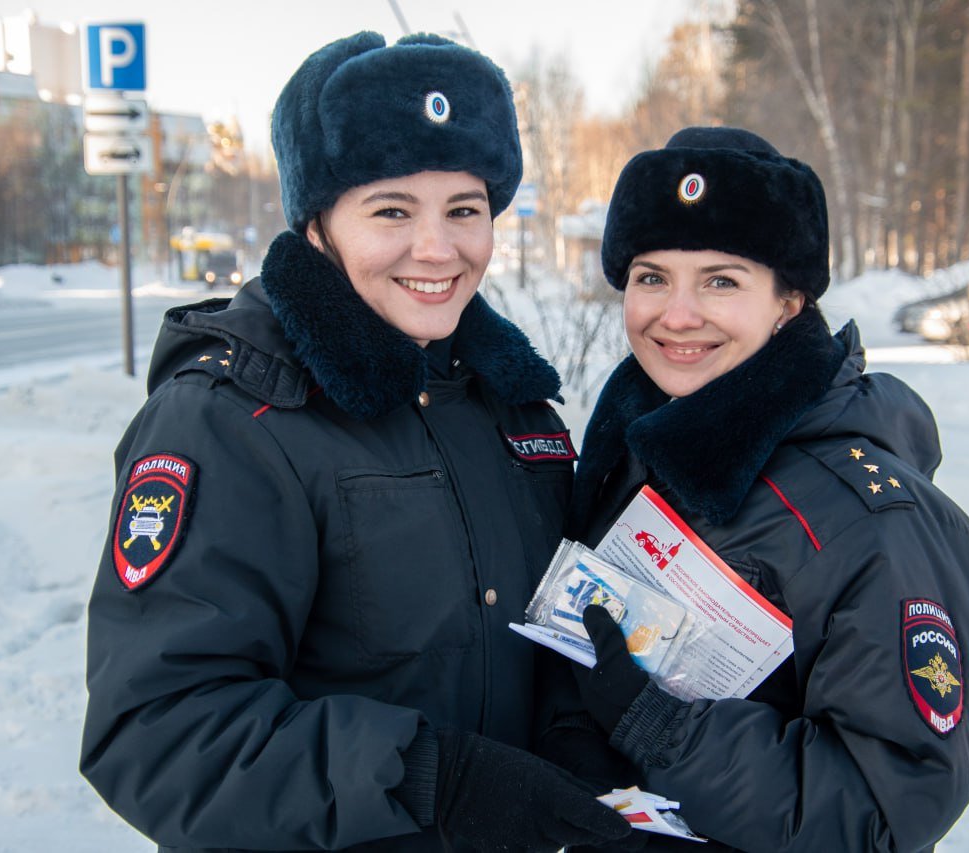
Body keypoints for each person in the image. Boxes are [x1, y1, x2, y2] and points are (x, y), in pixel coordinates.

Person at [80, 32, 631, 853]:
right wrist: (426, 774)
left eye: (464, 210)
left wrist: (579, 732)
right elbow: (158, 730)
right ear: (316, 226)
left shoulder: (516, 409)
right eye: (392, 211)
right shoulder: (233, 420)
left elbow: (545, 642)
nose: (437, 249)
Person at [564, 127, 969, 851]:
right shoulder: (637, 446)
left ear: (790, 301)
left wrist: (665, 727)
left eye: (721, 280)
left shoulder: (872, 523)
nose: (676, 315)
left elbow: (884, 814)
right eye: (652, 277)